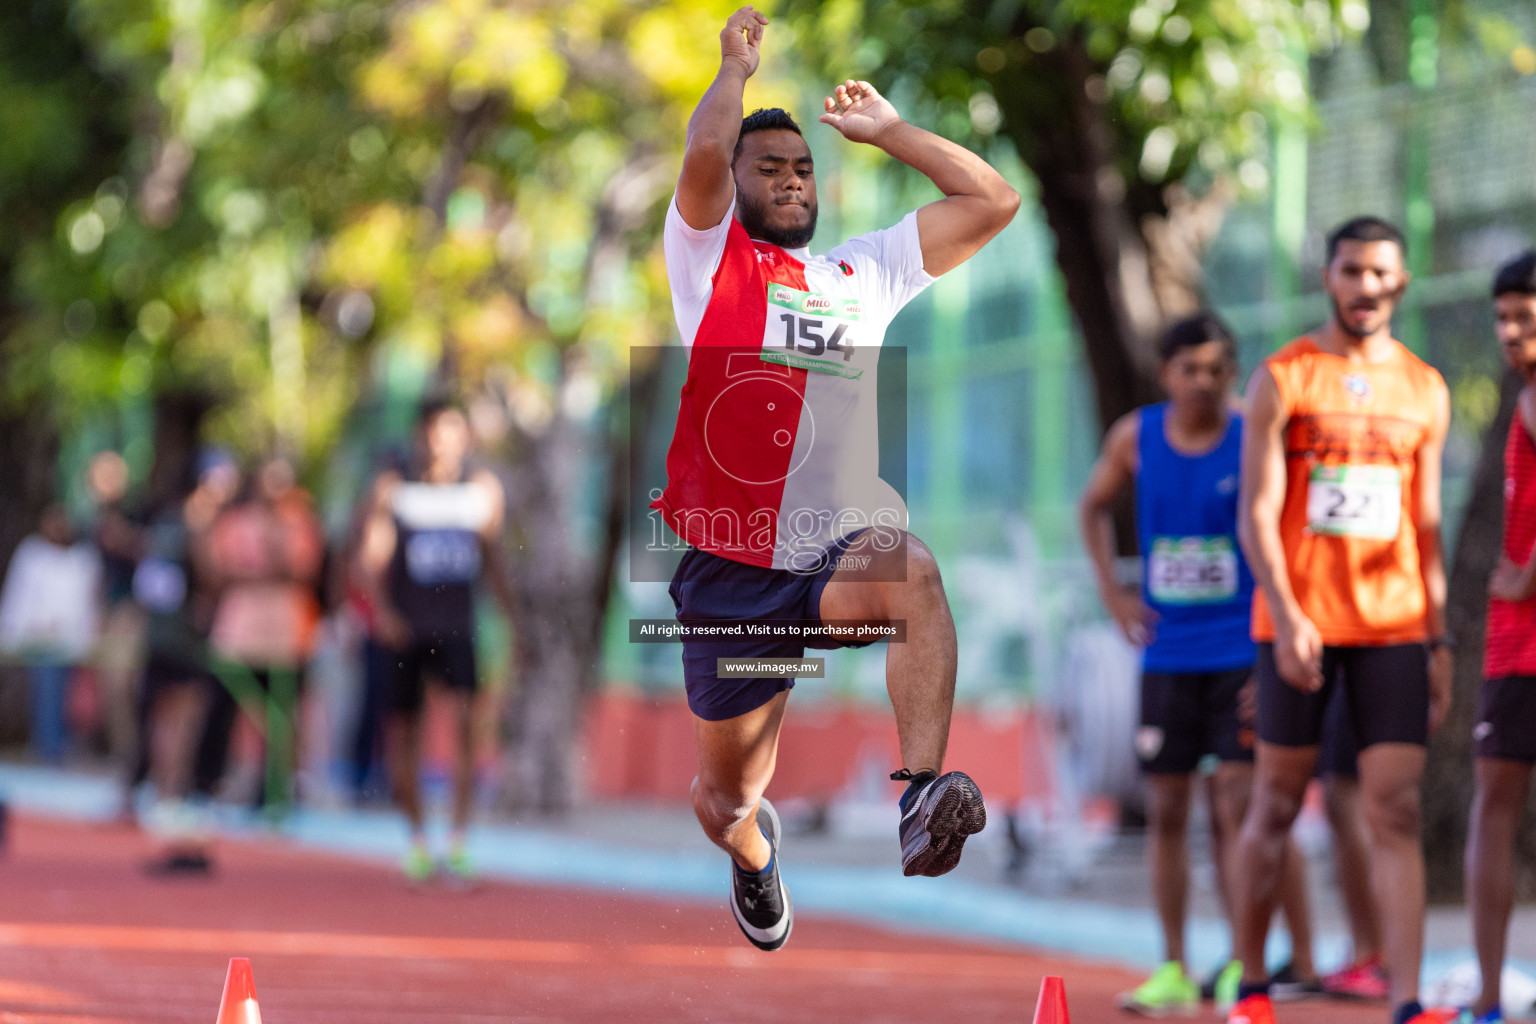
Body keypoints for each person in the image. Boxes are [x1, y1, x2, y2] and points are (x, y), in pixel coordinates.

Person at [655, 6, 1018, 951]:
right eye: (766, 167)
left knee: (915, 570)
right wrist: (733, 73)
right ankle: (750, 852)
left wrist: (893, 133)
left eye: (802, 167)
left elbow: (992, 201)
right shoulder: (707, 262)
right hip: (731, 573)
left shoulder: (865, 272)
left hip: (838, 549)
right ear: (735, 186)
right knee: (726, 799)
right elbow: (700, 157)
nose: (789, 179)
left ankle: (923, 794)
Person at [1226, 217, 1453, 1024]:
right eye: (1352, 271)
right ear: (1329, 277)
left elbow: (1426, 525)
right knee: (1278, 804)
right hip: (1299, 628)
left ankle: (1409, 997)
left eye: (1382, 274)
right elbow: (1256, 514)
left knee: (1394, 807)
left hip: (1393, 630)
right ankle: (1251, 991)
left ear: (1401, 284)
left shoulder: (1425, 387)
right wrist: (1286, 614)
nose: (1367, 287)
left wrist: (1439, 637)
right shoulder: (1284, 378)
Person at [1079, 314, 1320, 1014]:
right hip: (1168, 653)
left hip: (1243, 650)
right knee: (1167, 809)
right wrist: (1113, 592)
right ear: (1166, 374)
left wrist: (1277, 639)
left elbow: (1290, 528)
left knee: (1242, 808)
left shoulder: (1253, 433)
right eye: (1190, 369)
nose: (1205, 383)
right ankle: (1175, 967)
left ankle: (1250, 966)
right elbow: (1091, 506)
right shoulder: (1137, 437)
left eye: (1218, 369)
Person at [357, 399, 514, 882]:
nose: (437, 441)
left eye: (448, 431)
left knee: (469, 727)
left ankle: (459, 839)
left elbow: (494, 560)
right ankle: (419, 841)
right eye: (429, 431)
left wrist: (512, 622)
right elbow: (365, 562)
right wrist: (383, 614)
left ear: (464, 438)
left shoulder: (482, 491)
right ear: (417, 436)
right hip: (406, 631)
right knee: (405, 733)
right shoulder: (393, 489)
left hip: (459, 629)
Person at [1463, 250, 1536, 1024]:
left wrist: (1528, 572)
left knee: (1496, 807)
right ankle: (1488, 994)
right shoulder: (1522, 396)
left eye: (1525, 316)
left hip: (1526, 633)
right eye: (1502, 318)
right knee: (1494, 804)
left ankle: (1488, 994)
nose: (1510, 332)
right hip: (1515, 645)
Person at [194, 456, 324, 812]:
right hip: (238, 631)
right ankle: (205, 784)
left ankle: (273, 792)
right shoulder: (234, 523)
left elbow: (302, 571)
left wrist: (273, 549)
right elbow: (217, 572)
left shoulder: (298, 524)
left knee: (281, 713)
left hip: (284, 634)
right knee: (224, 706)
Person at [0, 505, 102, 763]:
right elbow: (19, 596)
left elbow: (87, 602)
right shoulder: (32, 555)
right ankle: (48, 748)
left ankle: (62, 745)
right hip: (37, 638)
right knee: (46, 690)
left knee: (71, 696)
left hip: (71, 640)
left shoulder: (83, 560)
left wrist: (84, 635)